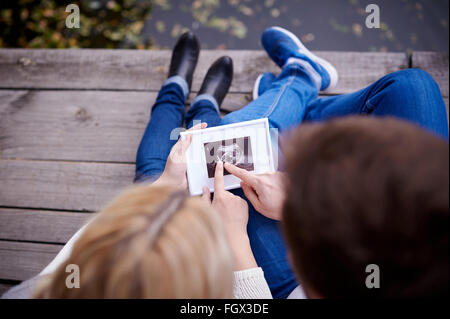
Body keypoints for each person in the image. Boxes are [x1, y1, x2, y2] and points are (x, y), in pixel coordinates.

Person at [133, 26, 448, 299]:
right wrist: (300, 205)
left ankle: (187, 93)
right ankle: (276, 96)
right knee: (412, 88)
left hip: (294, 286)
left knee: (198, 170)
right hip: (385, 247)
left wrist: (234, 236)